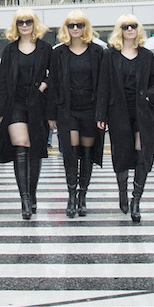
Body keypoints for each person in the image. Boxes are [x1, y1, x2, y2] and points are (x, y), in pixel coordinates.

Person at [0, 9, 53, 221]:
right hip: (15, 103)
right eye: (21, 22)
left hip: (38, 103)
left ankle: (32, 192)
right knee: (21, 145)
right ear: (16, 25)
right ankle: (25, 199)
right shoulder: (9, 51)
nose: (25, 25)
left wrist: (44, 86)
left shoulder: (45, 49)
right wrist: (1, 111)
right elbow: (2, 82)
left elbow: (54, 73)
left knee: (35, 150)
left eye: (28, 21)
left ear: (34, 24)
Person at [49, 11, 107, 218]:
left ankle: (83, 195)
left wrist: (102, 113)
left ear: (85, 27)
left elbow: (102, 85)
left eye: (79, 25)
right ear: (66, 28)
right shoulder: (58, 53)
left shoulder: (97, 52)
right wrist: (51, 114)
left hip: (90, 110)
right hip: (67, 110)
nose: (75, 29)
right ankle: (71, 195)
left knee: (88, 154)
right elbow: (53, 84)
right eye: (71, 25)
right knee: (71, 153)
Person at [106, 16, 154, 222]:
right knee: (121, 153)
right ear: (119, 30)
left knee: (142, 153)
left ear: (139, 29)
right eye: (125, 27)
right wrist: (101, 114)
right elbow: (104, 85)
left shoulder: (146, 55)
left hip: (142, 110)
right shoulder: (110, 55)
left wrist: (150, 95)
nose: (129, 29)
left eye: (133, 26)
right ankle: (122, 191)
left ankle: (136, 199)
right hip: (118, 110)